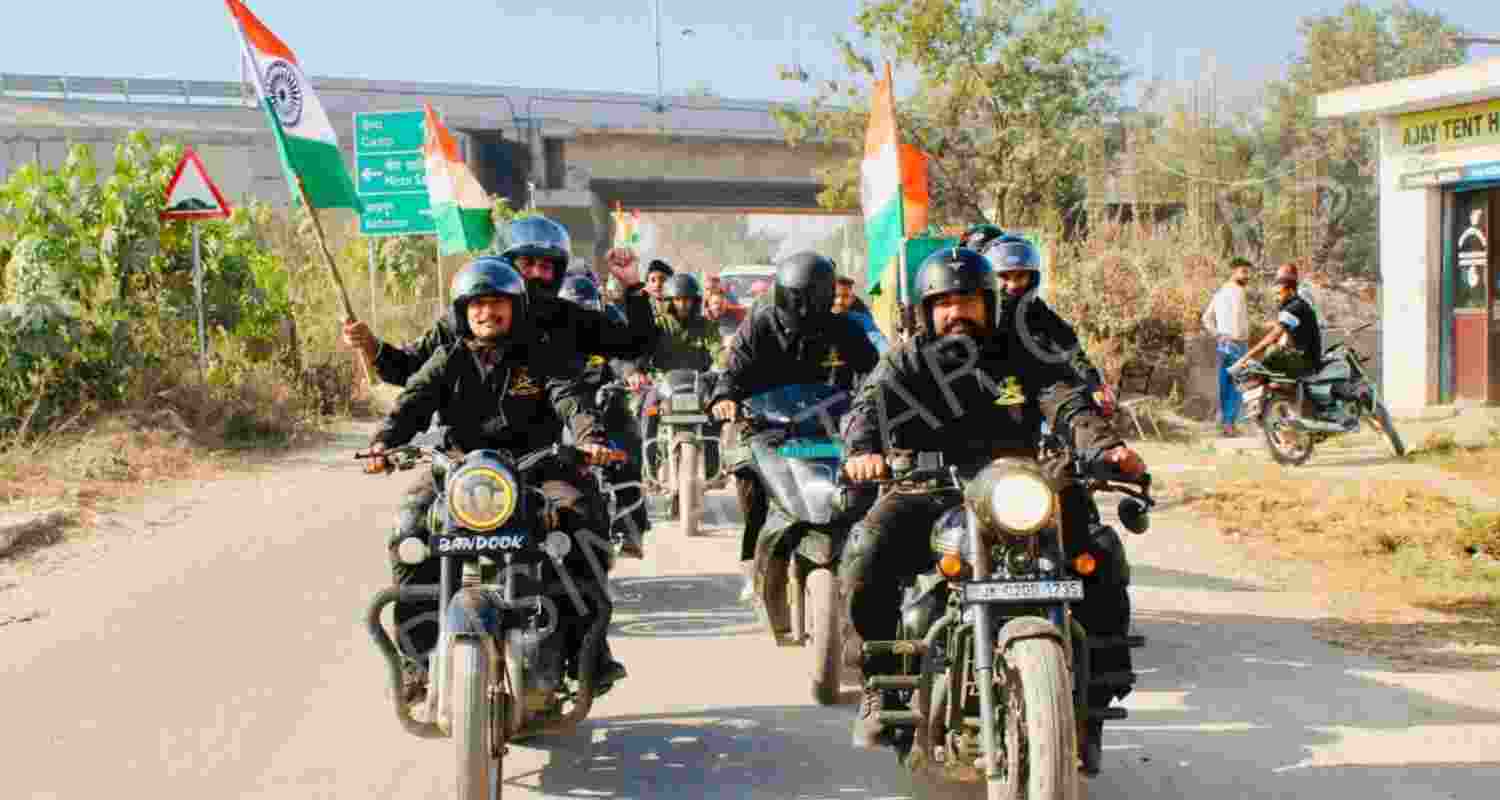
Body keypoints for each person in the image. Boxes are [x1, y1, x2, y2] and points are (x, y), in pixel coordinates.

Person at [838, 246, 1145, 767]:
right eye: (944, 303)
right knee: (867, 548)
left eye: (969, 302)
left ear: (990, 305)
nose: (957, 313)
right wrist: (864, 450)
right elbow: (870, 404)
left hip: (1019, 485)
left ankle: (1092, 702)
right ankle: (881, 684)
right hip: (931, 485)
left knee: (1097, 551)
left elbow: (1064, 398)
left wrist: (1104, 447)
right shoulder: (909, 358)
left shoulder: (1020, 352)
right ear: (925, 309)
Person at [364, 257, 628, 704]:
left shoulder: (544, 354)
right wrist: (384, 444)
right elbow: (410, 404)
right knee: (409, 527)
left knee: (584, 522)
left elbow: (571, 400)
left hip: (537, 468)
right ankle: (416, 658)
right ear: (464, 312)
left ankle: (589, 650)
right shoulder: (447, 359)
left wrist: (590, 437)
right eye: (478, 305)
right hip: (458, 471)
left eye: (497, 304)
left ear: (515, 308)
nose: (488, 313)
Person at [709, 252, 882, 602]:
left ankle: (856, 556)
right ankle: (751, 560)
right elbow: (733, 370)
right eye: (793, 296)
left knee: (861, 484)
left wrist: (875, 406)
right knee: (750, 480)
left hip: (829, 427)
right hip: (767, 427)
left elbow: (874, 375)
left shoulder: (845, 328)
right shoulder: (758, 323)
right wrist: (725, 397)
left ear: (824, 295)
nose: (799, 305)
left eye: (808, 297)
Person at [341, 216, 660, 388]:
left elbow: (636, 344)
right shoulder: (466, 318)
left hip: (549, 450)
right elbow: (409, 370)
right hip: (472, 456)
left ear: (558, 272)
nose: (536, 273)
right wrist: (371, 345)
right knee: (417, 508)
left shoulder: (570, 318)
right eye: (527, 264)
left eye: (546, 266)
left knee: (584, 507)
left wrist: (633, 285)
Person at [559, 274, 650, 558]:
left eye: (585, 311)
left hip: (608, 404)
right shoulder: (547, 338)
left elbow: (620, 356)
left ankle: (632, 529)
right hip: (564, 412)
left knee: (629, 456)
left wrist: (630, 373)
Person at [981, 235, 1116, 416]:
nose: (1012, 285)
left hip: (1042, 399)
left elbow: (1070, 348)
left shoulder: (1038, 311)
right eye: (1003, 276)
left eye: (1020, 276)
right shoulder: (980, 314)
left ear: (1032, 277)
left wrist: (1094, 384)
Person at [622, 273, 725, 490]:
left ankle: (714, 467)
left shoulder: (706, 326)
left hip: (699, 385)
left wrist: (726, 366)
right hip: (662, 385)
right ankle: (649, 469)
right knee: (646, 409)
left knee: (717, 409)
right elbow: (640, 350)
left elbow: (719, 351)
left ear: (696, 301)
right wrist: (636, 371)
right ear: (669, 301)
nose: (683, 304)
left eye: (688, 299)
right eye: (678, 299)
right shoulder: (658, 325)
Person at [1232, 262, 1323, 382]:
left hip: (1307, 365)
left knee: (1272, 351)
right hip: (1302, 359)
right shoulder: (1291, 306)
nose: (1276, 292)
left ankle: (1255, 372)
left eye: (1278, 286)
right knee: (1267, 346)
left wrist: (1244, 359)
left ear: (1289, 288)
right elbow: (1282, 334)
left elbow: (1273, 336)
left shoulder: (1295, 307)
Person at [1201, 257, 1252, 437]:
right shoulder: (1235, 291)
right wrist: (1222, 335)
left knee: (1227, 383)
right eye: (1244, 272)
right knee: (1237, 383)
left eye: (1248, 272)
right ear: (1234, 271)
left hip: (1226, 343)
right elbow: (1207, 318)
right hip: (1236, 343)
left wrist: (1218, 334)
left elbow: (1206, 318)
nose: (1247, 276)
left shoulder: (1220, 292)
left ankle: (1227, 423)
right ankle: (1229, 424)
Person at [834, 275, 891, 355]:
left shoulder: (861, 318)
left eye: (845, 296)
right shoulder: (819, 315)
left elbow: (878, 340)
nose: (839, 301)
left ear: (852, 298)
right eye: (836, 296)